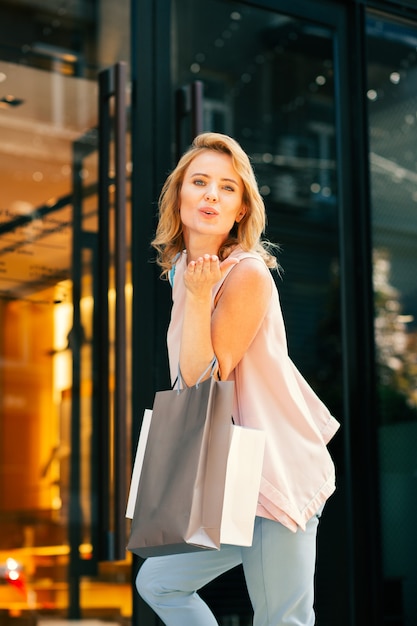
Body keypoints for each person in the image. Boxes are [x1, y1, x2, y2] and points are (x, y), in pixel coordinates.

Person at [136, 132, 340, 625]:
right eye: (199, 182)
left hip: (271, 473)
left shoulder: (245, 273)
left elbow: (202, 380)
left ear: (242, 209)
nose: (211, 194)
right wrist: (196, 288)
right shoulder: (185, 271)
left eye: (227, 188)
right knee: (159, 583)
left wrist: (203, 294)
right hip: (230, 477)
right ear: (178, 196)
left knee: (283, 619)